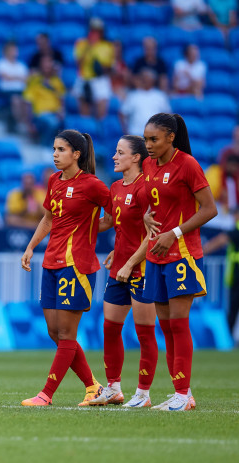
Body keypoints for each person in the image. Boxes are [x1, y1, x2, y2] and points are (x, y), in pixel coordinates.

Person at [20, 129, 111, 407]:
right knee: (54, 332)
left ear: (77, 154)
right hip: (51, 263)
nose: (55, 154)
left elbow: (119, 214)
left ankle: (45, 395)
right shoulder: (53, 180)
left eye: (61, 150)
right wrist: (31, 246)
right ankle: (94, 387)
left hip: (77, 265)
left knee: (67, 334)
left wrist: (91, 231)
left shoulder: (93, 185)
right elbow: (47, 219)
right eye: (54, 149)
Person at [141, 113, 217, 410]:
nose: (148, 145)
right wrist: (147, 214)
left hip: (182, 254)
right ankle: (180, 393)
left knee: (178, 322)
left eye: (153, 139)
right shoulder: (148, 164)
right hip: (155, 255)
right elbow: (155, 199)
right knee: (166, 326)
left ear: (170, 137)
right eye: (146, 139)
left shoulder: (187, 164)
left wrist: (174, 233)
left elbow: (210, 209)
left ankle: (184, 394)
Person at [88, 135, 159, 407]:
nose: (115, 157)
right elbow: (112, 222)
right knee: (110, 328)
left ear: (136, 157)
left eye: (120, 152)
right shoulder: (116, 187)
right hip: (119, 268)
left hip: (141, 268)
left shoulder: (146, 188)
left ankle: (143, 393)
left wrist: (130, 262)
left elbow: (152, 233)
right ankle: (114, 388)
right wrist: (75, 225)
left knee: (144, 332)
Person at [203, 208, 239, 338]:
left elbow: (221, 240)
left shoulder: (237, 229)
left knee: (233, 308)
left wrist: (200, 252)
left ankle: (228, 339)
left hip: (237, 275)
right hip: (235, 275)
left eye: (235, 214)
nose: (233, 217)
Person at [72, 18, 114, 120]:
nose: (95, 33)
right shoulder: (81, 43)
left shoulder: (108, 46)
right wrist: (89, 46)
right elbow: (78, 63)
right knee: (85, 116)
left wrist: (101, 68)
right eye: (93, 30)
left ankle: (99, 133)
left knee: (101, 116)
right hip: (84, 79)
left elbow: (109, 67)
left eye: (98, 30)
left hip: (100, 80)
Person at [23, 56, 65, 146]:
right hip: (40, 115)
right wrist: (29, 123)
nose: (47, 66)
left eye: (49, 64)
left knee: (69, 123)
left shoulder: (57, 81)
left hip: (55, 113)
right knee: (52, 122)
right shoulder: (35, 81)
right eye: (44, 64)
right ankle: (45, 146)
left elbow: (61, 99)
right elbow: (28, 102)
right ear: (40, 66)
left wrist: (61, 111)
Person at [120, 69, 172, 136]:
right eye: (143, 78)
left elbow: (168, 115)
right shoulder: (132, 96)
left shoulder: (160, 96)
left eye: (147, 78)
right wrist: (126, 130)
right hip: (135, 134)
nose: (145, 80)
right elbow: (122, 113)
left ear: (153, 80)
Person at [0, 41, 29, 133]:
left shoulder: (21, 65)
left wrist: (14, 77)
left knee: (27, 100)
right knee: (16, 100)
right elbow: (5, 77)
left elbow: (26, 79)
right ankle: (19, 123)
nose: (14, 52)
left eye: (15, 50)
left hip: (21, 90)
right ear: (6, 51)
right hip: (6, 91)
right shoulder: (1, 63)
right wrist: (18, 77)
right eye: (12, 50)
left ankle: (26, 123)